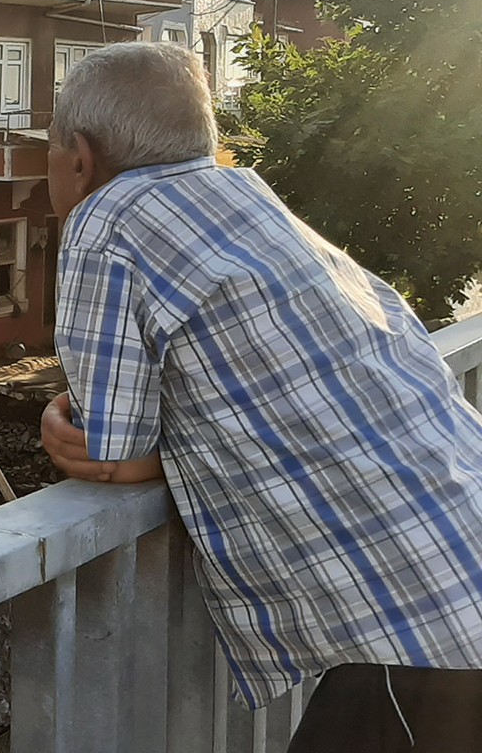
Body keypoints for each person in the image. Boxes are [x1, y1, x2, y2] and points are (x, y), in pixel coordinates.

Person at [39, 41, 482, 752]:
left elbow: (111, 447)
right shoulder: (247, 196)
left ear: (80, 157)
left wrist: (61, 422)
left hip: (428, 629)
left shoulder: (106, 222)